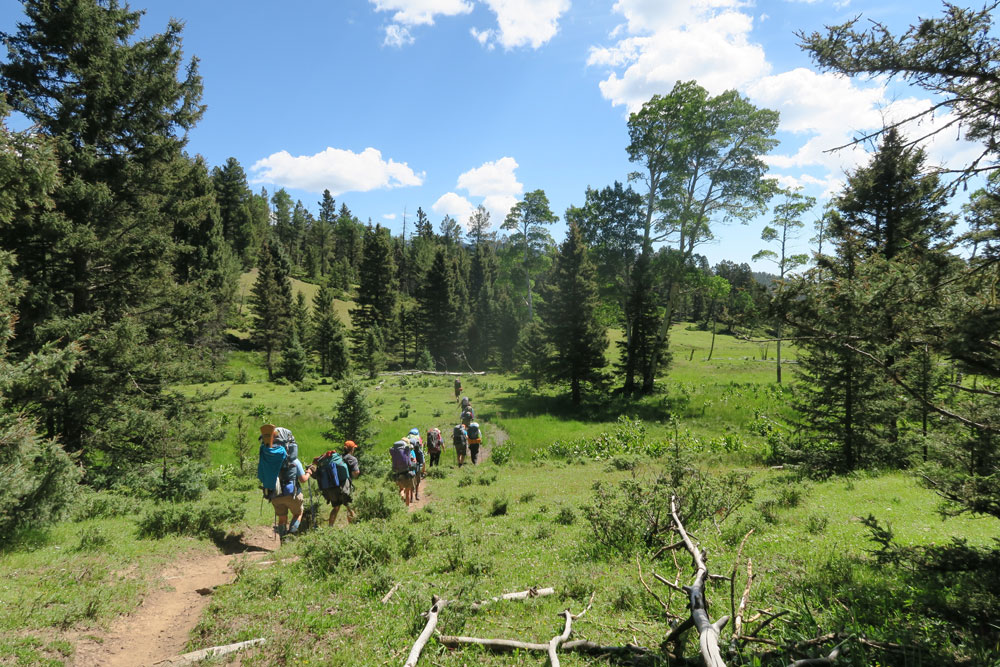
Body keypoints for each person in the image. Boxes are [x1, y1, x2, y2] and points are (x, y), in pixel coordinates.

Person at [257, 424, 312, 537]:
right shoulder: (294, 461)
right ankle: (290, 535)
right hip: (292, 494)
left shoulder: (268, 461)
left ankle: (283, 540)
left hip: (274, 494)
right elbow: (302, 480)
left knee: (282, 518)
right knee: (298, 513)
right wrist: (309, 472)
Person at [318, 441, 360, 526]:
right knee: (349, 506)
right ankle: (353, 527)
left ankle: (330, 527)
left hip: (334, 486)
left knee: (336, 508)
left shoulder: (339, 457)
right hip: (344, 487)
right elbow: (356, 473)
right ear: (352, 449)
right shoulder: (352, 459)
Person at [389, 438, 416, 506]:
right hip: (407, 473)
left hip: (398, 473)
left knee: (401, 489)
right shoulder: (406, 451)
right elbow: (411, 461)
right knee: (407, 491)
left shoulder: (395, 452)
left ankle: (401, 496)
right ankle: (407, 507)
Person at [408, 428, 425, 500]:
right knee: (417, 482)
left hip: (409, 466)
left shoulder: (408, 449)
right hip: (417, 466)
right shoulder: (419, 450)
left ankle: (411, 497)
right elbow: (423, 461)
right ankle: (417, 495)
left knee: (411, 481)